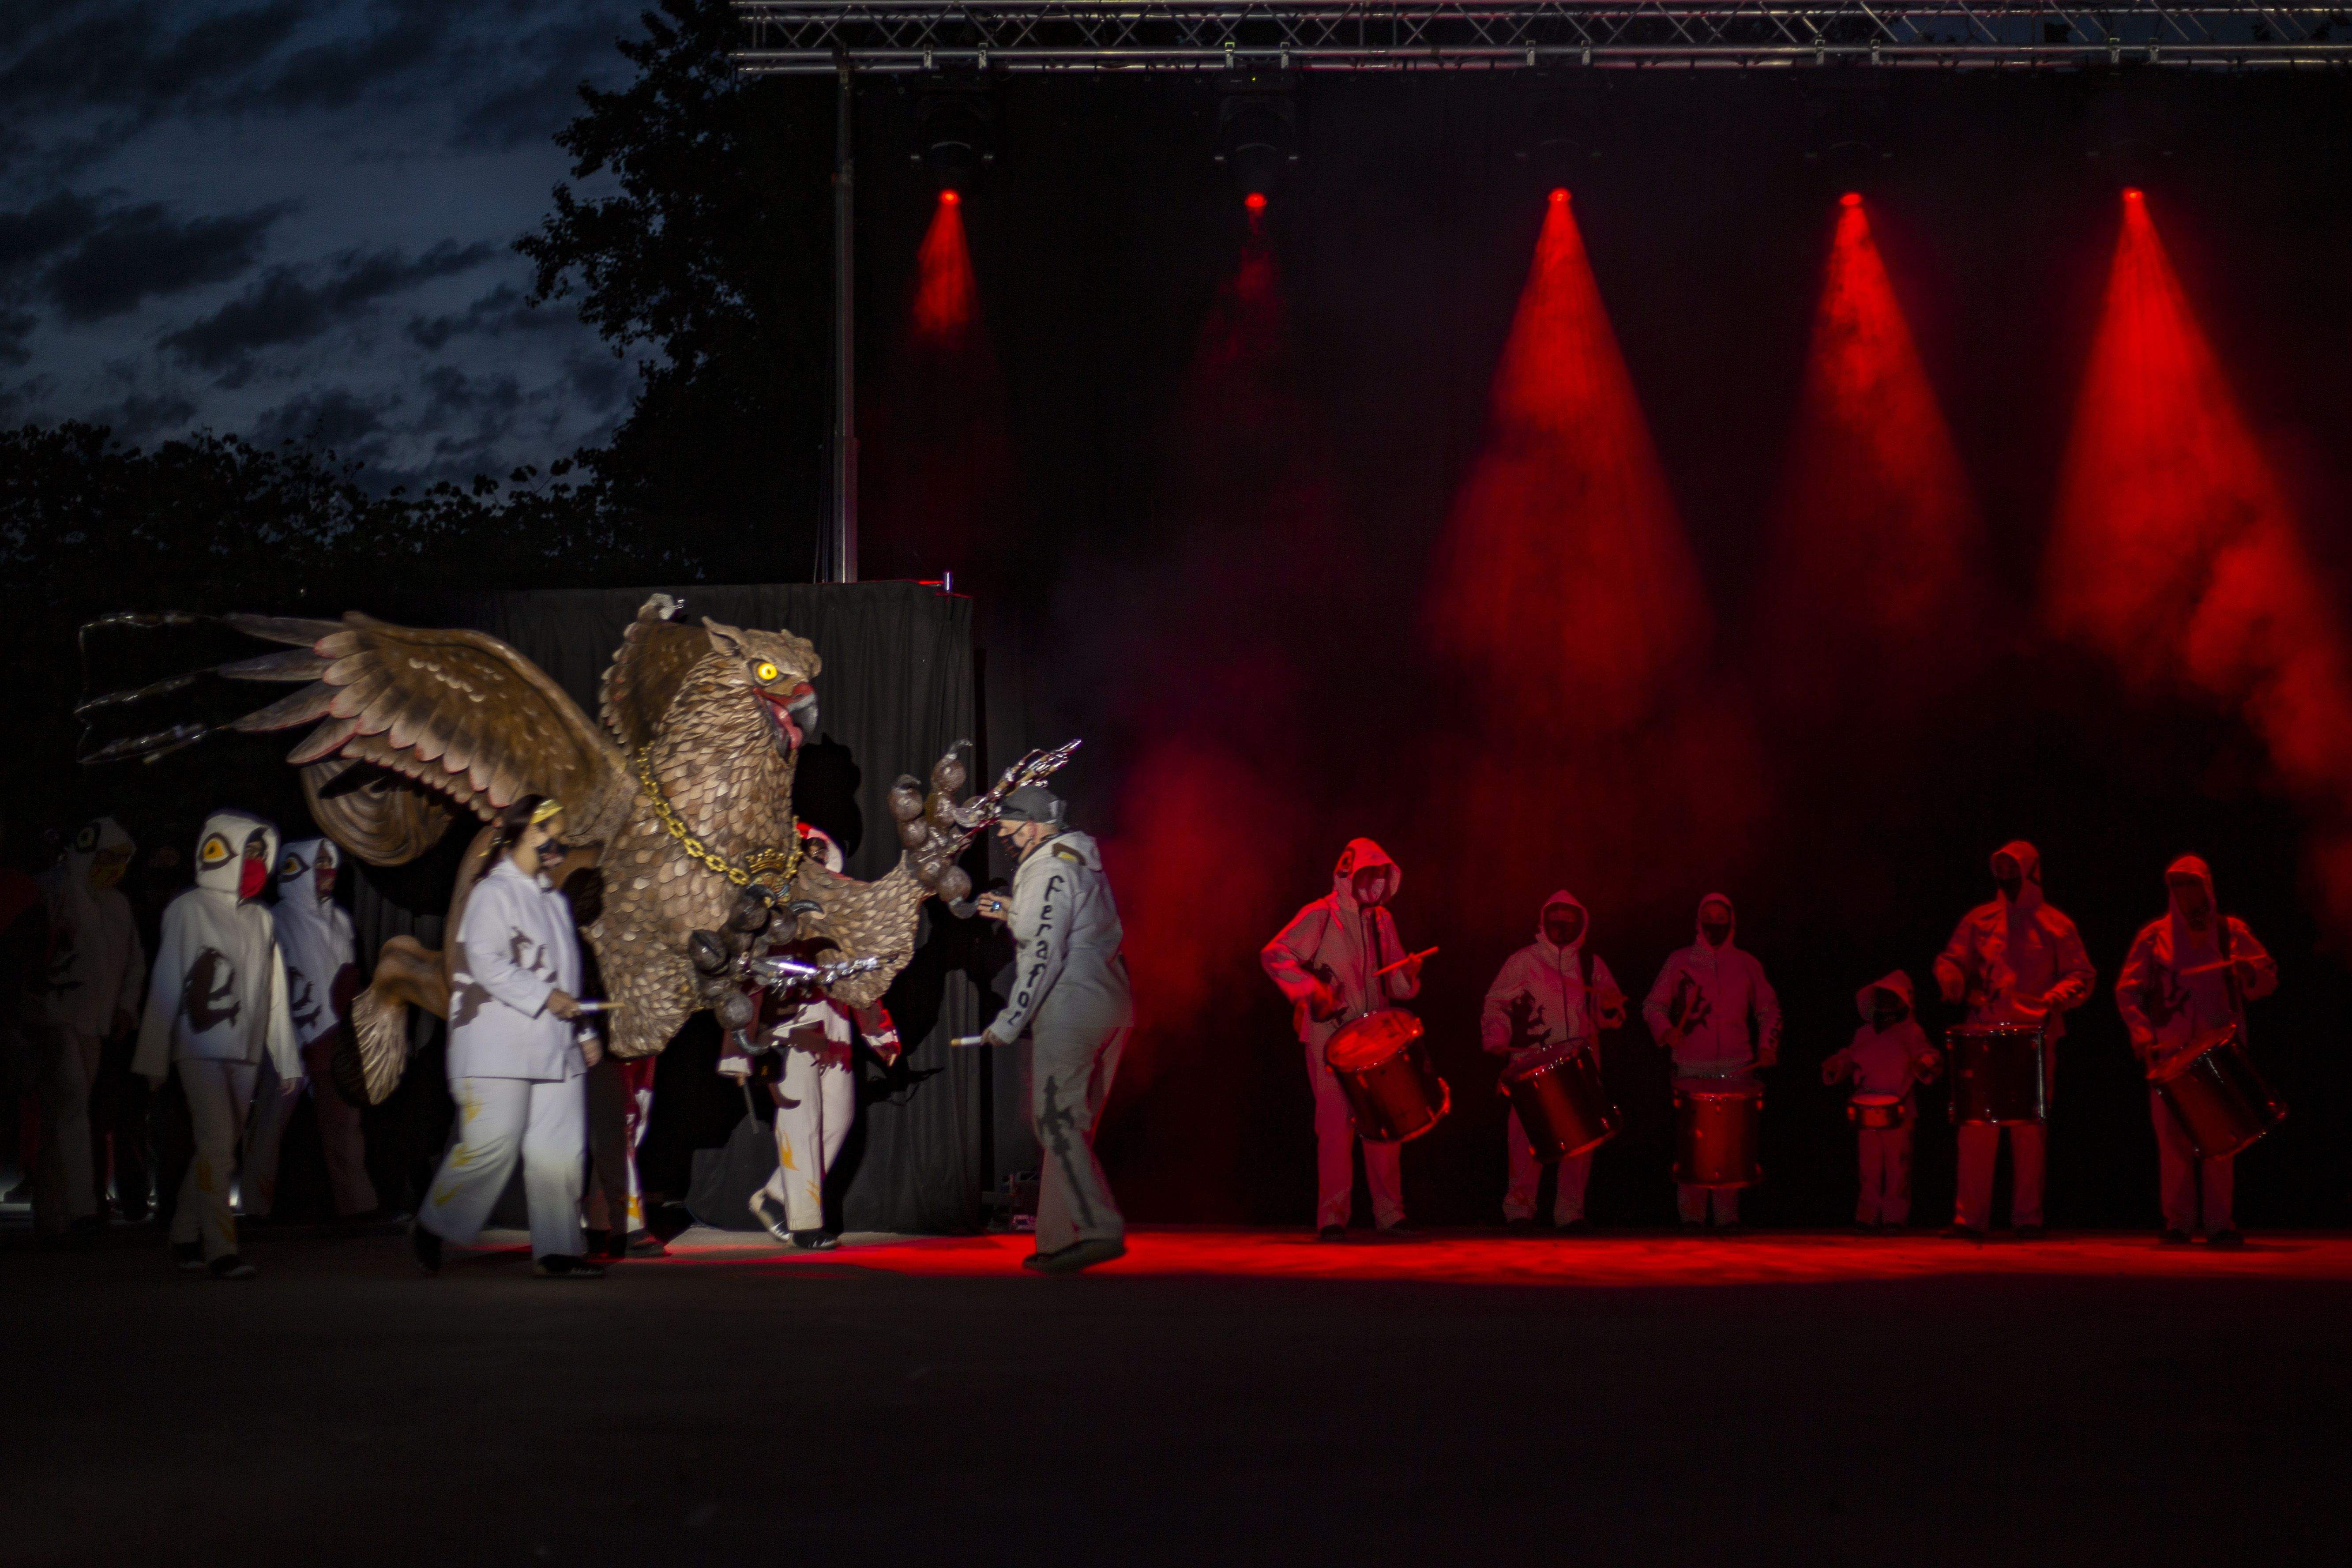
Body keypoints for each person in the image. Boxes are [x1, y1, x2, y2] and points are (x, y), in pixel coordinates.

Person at [411, 797, 601, 1280]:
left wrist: (581, 1029)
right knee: (491, 1146)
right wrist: (545, 997)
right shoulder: (491, 893)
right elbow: (487, 962)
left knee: (559, 1147)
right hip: (499, 1045)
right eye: (551, 830)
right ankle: (434, 1223)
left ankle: (557, 1249)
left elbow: (567, 977)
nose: (560, 840)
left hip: (556, 1044)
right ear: (524, 834)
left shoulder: (554, 902)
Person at [132, 811, 302, 1278]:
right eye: (245, 852)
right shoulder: (188, 909)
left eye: (258, 853)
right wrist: (154, 1057)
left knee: (218, 1146)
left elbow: (273, 993)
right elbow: (167, 981)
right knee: (217, 1142)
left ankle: (185, 1233)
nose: (253, 862)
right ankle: (220, 1248)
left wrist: (286, 1058)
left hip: (243, 1048)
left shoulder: (261, 919)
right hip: (198, 1045)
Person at [720, 825, 903, 1251]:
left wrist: (881, 1033)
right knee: (801, 1120)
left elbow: (861, 975)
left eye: (820, 858)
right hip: (790, 1025)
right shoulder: (768, 911)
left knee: (838, 1118)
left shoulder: (838, 912)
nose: (814, 864)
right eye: (807, 857)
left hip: (834, 1022)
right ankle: (805, 1223)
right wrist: (736, 1052)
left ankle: (775, 1196)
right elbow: (744, 982)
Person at [976, 784, 1133, 1275]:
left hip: (1072, 1005)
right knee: (1068, 1130)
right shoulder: (1077, 857)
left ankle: (1098, 1229)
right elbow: (1064, 924)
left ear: (1033, 824)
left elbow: (1045, 955)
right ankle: (1055, 1240)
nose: (1004, 836)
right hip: (1111, 1001)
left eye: (1008, 827)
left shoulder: (1047, 866)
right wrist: (1007, 909)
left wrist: (1008, 1021)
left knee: (1055, 1122)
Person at [1262, 839, 1426, 1241]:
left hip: (1375, 1036)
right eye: (1371, 876)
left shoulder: (1382, 920)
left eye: (1383, 877)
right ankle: (1332, 1216)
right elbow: (1275, 954)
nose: (1377, 885)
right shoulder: (1320, 915)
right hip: (1329, 1034)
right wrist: (1309, 990)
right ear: (1350, 875)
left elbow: (1399, 985)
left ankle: (1390, 1213)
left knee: (1384, 1126)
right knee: (1336, 1125)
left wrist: (1410, 972)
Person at [1933, 840, 2094, 1239]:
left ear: (2031, 873)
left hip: (2033, 1036)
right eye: (2000, 871)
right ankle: (1969, 1218)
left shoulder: (2056, 925)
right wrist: (1950, 977)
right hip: (1984, 1031)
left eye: (2013, 871)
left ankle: (2028, 1217)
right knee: (1976, 1128)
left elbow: (2082, 975)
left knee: (2029, 1131)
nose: (2006, 879)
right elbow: (1951, 958)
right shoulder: (1979, 919)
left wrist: (2058, 996)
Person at [2115, 855, 2278, 1248]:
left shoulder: (2230, 932)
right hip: (2170, 1050)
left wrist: (2249, 973)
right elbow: (2127, 990)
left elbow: (2268, 975)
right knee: (2172, 1141)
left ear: (2207, 887)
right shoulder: (2155, 937)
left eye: (2192, 884)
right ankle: (2178, 1222)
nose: (2186, 894)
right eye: (2178, 886)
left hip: (2220, 1047)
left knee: (2221, 1139)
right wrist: (2142, 1036)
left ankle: (2221, 1223)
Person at [243, 838, 376, 1222]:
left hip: (335, 1041)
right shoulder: (276, 920)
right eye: (316, 865)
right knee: (269, 1127)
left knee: (345, 1131)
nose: (326, 874)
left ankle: (358, 1208)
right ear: (296, 869)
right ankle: (254, 1211)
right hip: (287, 1042)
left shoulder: (341, 920)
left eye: (329, 864)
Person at [1480, 890, 1623, 1231]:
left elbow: (1609, 1013)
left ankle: (1570, 1212)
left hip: (1580, 1063)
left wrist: (1610, 1008)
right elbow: (1495, 1002)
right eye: (1555, 918)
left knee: (1580, 1141)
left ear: (1581, 921)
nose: (1562, 924)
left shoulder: (1590, 964)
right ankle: (1519, 1210)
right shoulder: (1524, 961)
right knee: (1526, 1138)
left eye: (1569, 919)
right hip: (1532, 1061)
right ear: (1544, 919)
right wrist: (1496, 1037)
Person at [1643, 893, 1781, 1230]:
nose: (1715, 924)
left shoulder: (1747, 964)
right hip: (1692, 1066)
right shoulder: (1680, 961)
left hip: (1737, 1068)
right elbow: (1652, 1006)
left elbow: (1769, 1010)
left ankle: (1728, 1217)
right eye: (1709, 917)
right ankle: (1691, 1217)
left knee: (1730, 1147)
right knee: (1695, 1145)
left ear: (1731, 922)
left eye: (1721, 918)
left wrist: (1768, 1045)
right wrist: (1665, 1032)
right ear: (1699, 921)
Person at [38, 818, 144, 1234]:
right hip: (57, 1015)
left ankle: (52, 1213)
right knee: (72, 1105)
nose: (114, 867)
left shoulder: (117, 905)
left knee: (60, 1116)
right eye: (108, 858)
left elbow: (133, 964)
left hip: (96, 1024)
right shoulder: (58, 893)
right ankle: (81, 1208)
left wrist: (126, 1009)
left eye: (120, 861)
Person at [1822, 972, 1940, 1231]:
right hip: (1867, 1110)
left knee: (1898, 1167)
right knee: (1870, 1167)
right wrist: (1836, 1066)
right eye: (1880, 997)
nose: (1884, 1003)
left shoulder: (1912, 1032)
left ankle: (1894, 1217)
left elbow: (1929, 1057)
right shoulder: (1864, 1034)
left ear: (1901, 1001)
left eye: (1889, 997)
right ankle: (1867, 1215)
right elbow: (1849, 1058)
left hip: (1899, 1109)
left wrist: (1926, 1064)